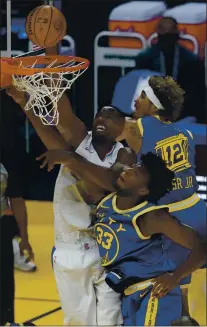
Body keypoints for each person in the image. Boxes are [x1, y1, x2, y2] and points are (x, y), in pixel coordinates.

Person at [6, 84, 136, 325]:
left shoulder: (124, 155)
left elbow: (107, 185)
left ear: (122, 129)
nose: (103, 119)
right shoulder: (80, 140)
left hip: (108, 247)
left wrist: (69, 159)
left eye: (111, 117)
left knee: (112, 322)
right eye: (100, 114)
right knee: (79, 323)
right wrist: (30, 97)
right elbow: (62, 115)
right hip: (70, 245)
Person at [36, 149, 206, 326]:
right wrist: (67, 157)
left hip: (154, 292)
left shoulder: (150, 217)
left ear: (143, 189)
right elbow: (83, 164)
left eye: (136, 172)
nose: (128, 170)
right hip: (128, 295)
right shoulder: (106, 202)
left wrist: (175, 276)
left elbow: (200, 248)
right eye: (132, 167)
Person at [118, 75, 207, 323]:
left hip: (174, 218)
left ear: (155, 105)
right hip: (198, 209)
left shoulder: (138, 127)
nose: (137, 100)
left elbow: (92, 138)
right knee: (193, 295)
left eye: (143, 96)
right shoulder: (186, 132)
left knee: (179, 305)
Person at [134, 16, 206, 123]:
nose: (167, 42)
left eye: (170, 36)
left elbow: (197, 96)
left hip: (184, 114)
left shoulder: (192, 62)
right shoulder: (145, 60)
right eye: (165, 37)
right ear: (158, 35)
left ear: (177, 36)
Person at [0, 163, 34, 325]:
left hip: (2, 230)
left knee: (4, 287)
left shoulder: (6, 163)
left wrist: (24, 239)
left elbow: (16, 199)